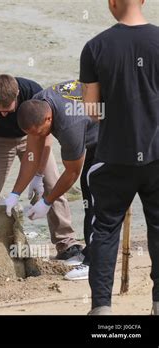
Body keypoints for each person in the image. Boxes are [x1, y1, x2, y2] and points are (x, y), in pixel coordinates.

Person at [80, 0, 159, 315]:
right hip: (157, 154)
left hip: (114, 155)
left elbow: (91, 110)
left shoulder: (95, 47)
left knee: (105, 229)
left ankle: (102, 307)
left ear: (112, 3)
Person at [0, 74, 83, 261]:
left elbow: (46, 134)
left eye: (8, 110)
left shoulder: (34, 92)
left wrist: (38, 175)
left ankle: (66, 243)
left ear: (17, 95)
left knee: (52, 184)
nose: (3, 114)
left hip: (32, 137)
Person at [6, 80, 99, 281]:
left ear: (49, 119)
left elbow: (71, 172)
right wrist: (15, 193)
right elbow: (32, 155)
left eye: (39, 132)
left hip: (116, 132)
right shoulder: (37, 104)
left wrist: (47, 202)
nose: (36, 136)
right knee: (88, 188)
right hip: (93, 125)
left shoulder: (69, 126)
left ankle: (95, 263)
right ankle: (90, 250)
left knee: (95, 192)